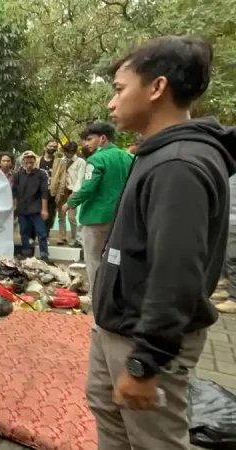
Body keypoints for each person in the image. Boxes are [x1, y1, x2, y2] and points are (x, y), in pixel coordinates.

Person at [86, 36, 236, 450]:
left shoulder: (178, 164)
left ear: (157, 88)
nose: (111, 104)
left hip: (142, 339)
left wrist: (144, 362)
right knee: (110, 419)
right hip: (118, 328)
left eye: (119, 89)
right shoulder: (157, 154)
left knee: (156, 440)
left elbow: (176, 273)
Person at [63, 123, 132, 294]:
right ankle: (117, 294)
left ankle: (98, 297)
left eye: (89, 139)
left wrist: (70, 203)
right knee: (115, 258)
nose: (85, 144)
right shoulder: (128, 158)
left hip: (96, 217)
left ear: (102, 138)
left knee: (93, 259)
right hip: (121, 217)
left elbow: (88, 188)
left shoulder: (96, 159)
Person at [13, 151, 50, 262]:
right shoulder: (18, 175)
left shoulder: (41, 174)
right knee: (24, 232)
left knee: (41, 233)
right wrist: (15, 205)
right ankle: (26, 253)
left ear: (35, 161)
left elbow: (44, 192)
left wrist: (44, 209)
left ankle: (44, 254)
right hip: (23, 209)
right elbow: (14, 191)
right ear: (23, 162)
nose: (29, 164)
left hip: (36, 208)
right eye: (26, 162)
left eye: (31, 162)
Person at [54, 141, 85, 246]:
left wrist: (75, 192)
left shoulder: (80, 162)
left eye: (70, 152)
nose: (68, 154)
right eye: (66, 152)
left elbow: (80, 178)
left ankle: (74, 237)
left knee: (71, 217)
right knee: (61, 215)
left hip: (73, 190)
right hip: (62, 190)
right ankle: (62, 236)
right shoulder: (60, 161)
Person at [216, 174, 236, 314]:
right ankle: (228, 288)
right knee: (227, 255)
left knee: (233, 257)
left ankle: (234, 298)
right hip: (229, 216)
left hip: (234, 218)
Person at [35, 140, 59, 231]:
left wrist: (59, 193)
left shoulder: (59, 162)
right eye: (50, 146)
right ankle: (34, 235)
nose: (52, 148)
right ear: (45, 147)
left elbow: (62, 178)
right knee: (36, 213)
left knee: (49, 215)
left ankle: (46, 235)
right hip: (37, 191)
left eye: (54, 146)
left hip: (51, 192)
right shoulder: (37, 160)